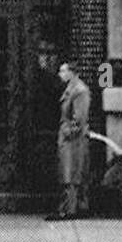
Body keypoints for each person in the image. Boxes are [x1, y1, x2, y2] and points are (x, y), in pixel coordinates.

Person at [47, 59, 91, 220]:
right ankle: (69, 208)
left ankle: (69, 209)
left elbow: (79, 118)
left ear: (72, 73)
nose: (60, 74)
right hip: (70, 138)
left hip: (74, 140)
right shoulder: (72, 89)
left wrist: (67, 131)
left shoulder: (79, 91)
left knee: (70, 174)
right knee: (68, 173)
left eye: (63, 71)